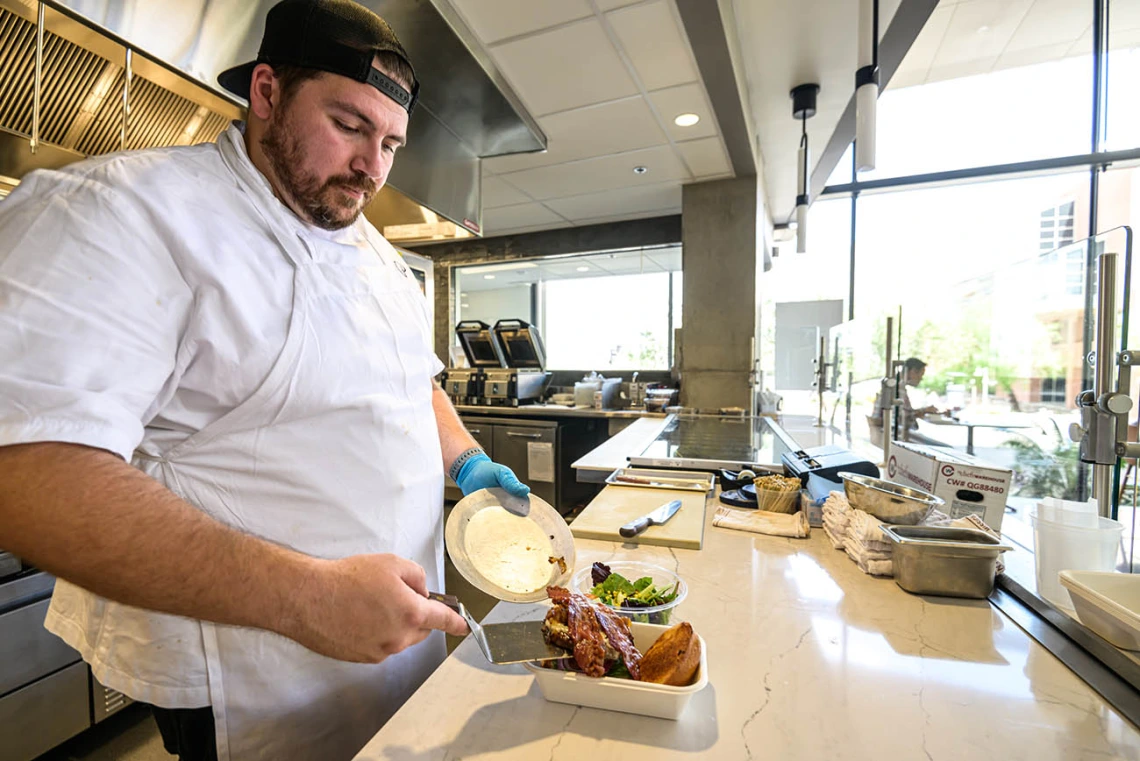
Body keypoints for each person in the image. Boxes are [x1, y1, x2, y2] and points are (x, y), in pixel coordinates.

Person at [0, 2, 530, 759]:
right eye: (349, 126)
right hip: (251, 668)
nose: (371, 167)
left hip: (397, 645)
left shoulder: (374, 251)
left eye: (390, 143)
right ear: (268, 91)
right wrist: (308, 597)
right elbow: (21, 470)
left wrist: (467, 462)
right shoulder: (124, 211)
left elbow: (415, 383)